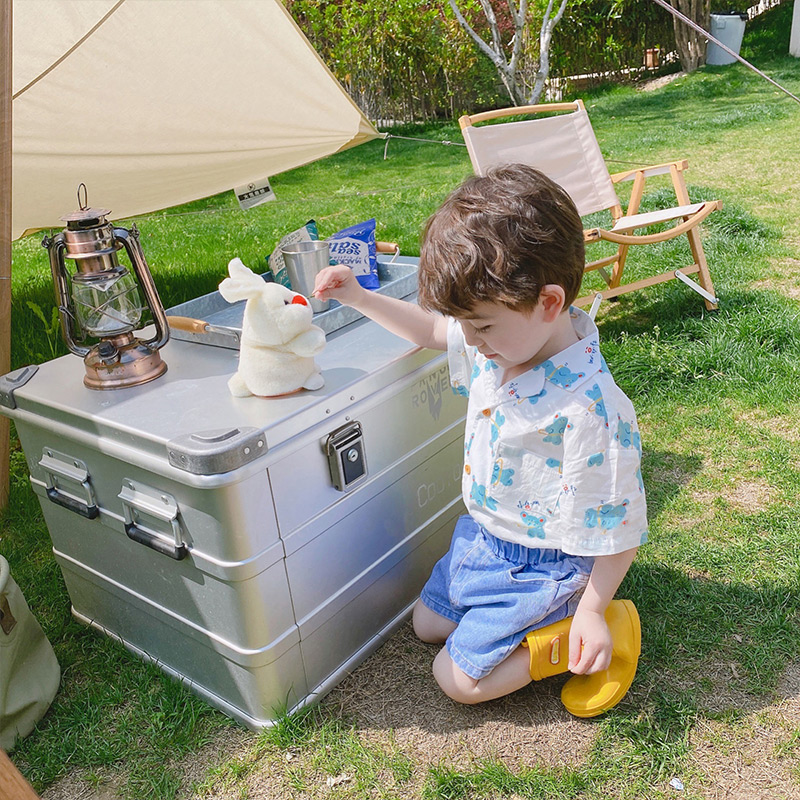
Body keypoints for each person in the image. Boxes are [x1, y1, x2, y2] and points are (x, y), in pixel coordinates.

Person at [313, 164, 647, 717]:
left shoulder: (593, 411)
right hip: (485, 542)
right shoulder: (503, 340)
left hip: (543, 566)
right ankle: (525, 619)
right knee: (426, 626)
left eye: (482, 326)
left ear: (549, 302)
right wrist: (355, 296)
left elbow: (617, 529)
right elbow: (428, 330)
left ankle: (576, 632)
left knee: (457, 681)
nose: (469, 340)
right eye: (464, 324)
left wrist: (592, 608)